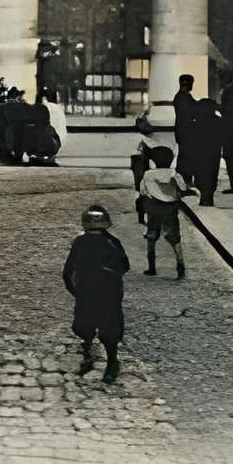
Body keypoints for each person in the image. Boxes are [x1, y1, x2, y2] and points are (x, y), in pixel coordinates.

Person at [63, 204, 131, 383]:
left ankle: (106, 361)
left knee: (94, 327)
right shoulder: (110, 241)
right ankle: (99, 358)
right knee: (98, 327)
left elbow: (67, 272)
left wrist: (76, 291)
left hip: (95, 292)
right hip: (101, 292)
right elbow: (124, 266)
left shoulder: (83, 242)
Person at [139, 146, 187, 279]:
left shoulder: (148, 175)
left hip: (153, 208)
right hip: (170, 209)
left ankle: (152, 267)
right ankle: (180, 263)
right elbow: (183, 189)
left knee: (151, 237)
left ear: (153, 161)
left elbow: (143, 191)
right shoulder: (175, 174)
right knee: (175, 238)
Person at [178, 94, 224, 207]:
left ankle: (205, 196)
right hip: (214, 153)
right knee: (212, 175)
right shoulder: (219, 121)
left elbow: (188, 140)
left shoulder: (195, 122)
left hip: (198, 154)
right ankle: (208, 197)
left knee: (200, 175)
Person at [130, 112, 155, 223]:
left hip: (138, 163)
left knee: (140, 191)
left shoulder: (142, 138)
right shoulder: (145, 139)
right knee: (144, 191)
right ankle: (144, 215)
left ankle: (141, 215)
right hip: (141, 163)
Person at [171, 73, 198, 152]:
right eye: (191, 83)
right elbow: (192, 111)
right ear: (187, 84)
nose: (192, 86)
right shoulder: (183, 97)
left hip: (182, 131)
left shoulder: (183, 96)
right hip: (185, 132)